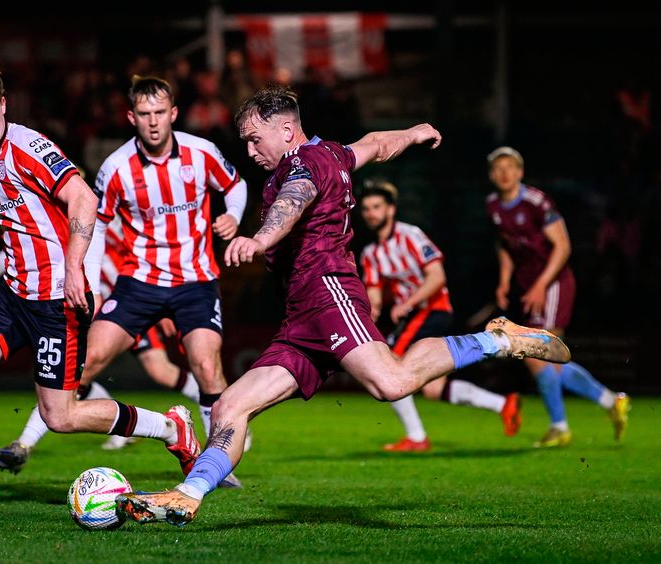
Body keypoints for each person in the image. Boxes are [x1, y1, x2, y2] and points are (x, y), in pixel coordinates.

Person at [114, 85, 570, 527]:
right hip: (299, 318)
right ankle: (187, 495)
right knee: (231, 404)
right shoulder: (333, 153)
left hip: (329, 292)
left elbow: (292, 205)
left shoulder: (304, 165)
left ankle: (497, 340)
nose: (250, 150)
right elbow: (374, 144)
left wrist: (260, 239)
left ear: (286, 130)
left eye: (255, 138)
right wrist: (412, 134)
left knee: (391, 383)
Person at [0, 63, 200, 510]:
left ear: (4, 104)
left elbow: (83, 198)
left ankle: (169, 428)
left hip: (56, 299)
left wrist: (73, 269)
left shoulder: (28, 148)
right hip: (14, 295)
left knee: (61, 416)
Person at [71, 76, 249, 483]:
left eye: (159, 113)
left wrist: (233, 217)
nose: (153, 122)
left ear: (173, 113)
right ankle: (29, 441)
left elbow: (236, 185)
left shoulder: (202, 152)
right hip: (138, 282)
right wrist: (95, 285)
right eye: (144, 114)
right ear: (131, 116)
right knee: (87, 362)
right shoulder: (116, 166)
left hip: (195, 280)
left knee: (206, 365)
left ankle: (216, 463)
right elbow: (98, 226)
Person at [0, 219, 207, 470]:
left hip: (127, 307)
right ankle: (24, 444)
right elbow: (21, 245)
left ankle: (211, 414)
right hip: (98, 311)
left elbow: (150, 250)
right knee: (81, 375)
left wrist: (159, 306)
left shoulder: (108, 219)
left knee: (157, 371)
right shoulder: (61, 218)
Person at [358, 180, 522, 452]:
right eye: (366, 209)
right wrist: (371, 311)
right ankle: (504, 405)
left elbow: (437, 276)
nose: (371, 213)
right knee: (433, 389)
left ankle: (417, 437)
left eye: (376, 207)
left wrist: (409, 302)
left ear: (391, 209)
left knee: (391, 364)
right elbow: (374, 293)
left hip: (432, 310)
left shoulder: (410, 236)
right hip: (412, 317)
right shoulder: (370, 254)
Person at [485, 146, 630, 448]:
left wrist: (541, 285)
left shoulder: (535, 201)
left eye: (510, 166)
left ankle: (560, 426)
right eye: (498, 168)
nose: (504, 172)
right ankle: (610, 401)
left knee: (538, 357)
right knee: (549, 362)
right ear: (491, 175)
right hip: (529, 287)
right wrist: (503, 280)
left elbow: (563, 246)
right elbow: (505, 244)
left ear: (520, 172)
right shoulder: (494, 206)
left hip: (552, 284)